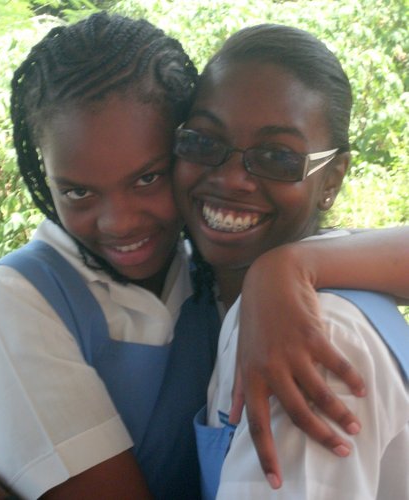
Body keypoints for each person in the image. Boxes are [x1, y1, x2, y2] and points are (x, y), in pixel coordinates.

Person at [0, 13, 409, 500]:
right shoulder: (27, 296)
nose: (120, 222)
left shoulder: (283, 313)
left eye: (147, 177)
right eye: (79, 192)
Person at [171, 23, 409, 498]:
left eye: (278, 157)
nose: (233, 178)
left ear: (332, 179)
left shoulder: (314, 343)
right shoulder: (200, 286)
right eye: (203, 141)